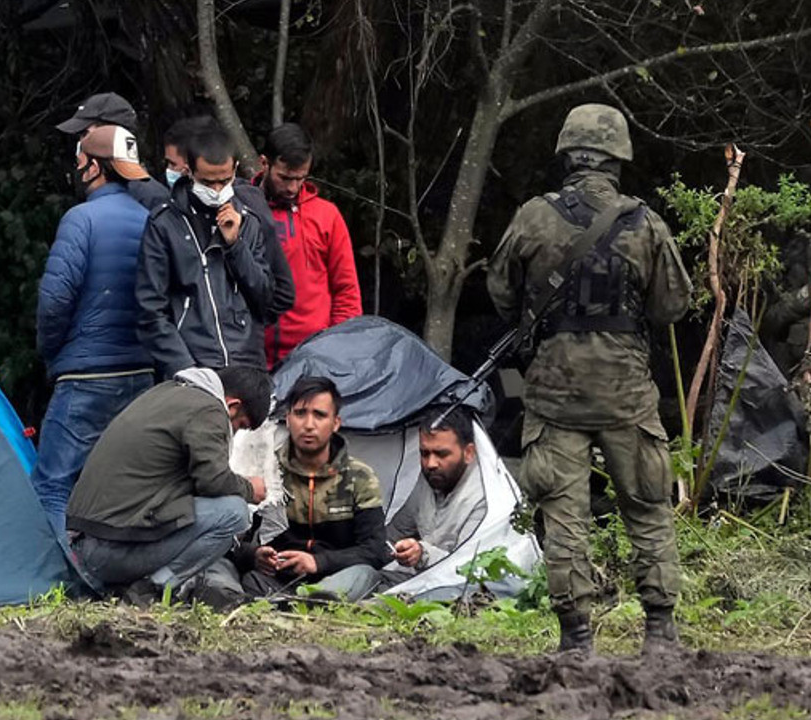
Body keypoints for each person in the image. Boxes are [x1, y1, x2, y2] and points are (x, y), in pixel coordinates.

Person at [486, 103, 692, 653]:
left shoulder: (533, 216)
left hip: (555, 394)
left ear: (567, 156)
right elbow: (673, 304)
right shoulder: (644, 222)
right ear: (618, 158)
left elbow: (502, 294)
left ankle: (577, 638)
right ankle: (660, 631)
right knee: (647, 507)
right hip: (625, 393)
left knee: (564, 516)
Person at [33, 125, 156, 532]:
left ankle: (59, 576)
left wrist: (52, 353)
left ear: (93, 167)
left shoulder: (80, 220)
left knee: (53, 485)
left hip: (86, 374)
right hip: (140, 374)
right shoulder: (150, 220)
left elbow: (54, 302)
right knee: (120, 487)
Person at [66, 366, 271, 605]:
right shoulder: (209, 410)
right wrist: (249, 489)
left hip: (83, 543)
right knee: (234, 513)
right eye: (240, 426)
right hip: (104, 553)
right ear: (233, 405)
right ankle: (152, 590)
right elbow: (213, 481)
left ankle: (127, 587)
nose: (234, 434)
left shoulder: (168, 393)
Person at [223, 376, 387, 602]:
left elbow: (375, 550)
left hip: (337, 578)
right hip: (275, 580)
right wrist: (255, 555)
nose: (309, 424)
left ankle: (311, 601)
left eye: (319, 415)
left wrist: (318, 563)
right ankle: (291, 602)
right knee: (243, 576)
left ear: (335, 423)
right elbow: (233, 542)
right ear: (288, 419)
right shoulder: (264, 472)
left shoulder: (360, 476)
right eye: (300, 413)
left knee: (364, 574)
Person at [136, 123, 274, 377]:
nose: (218, 191)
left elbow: (264, 297)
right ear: (189, 172)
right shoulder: (165, 224)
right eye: (208, 182)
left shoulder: (248, 220)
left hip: (245, 364)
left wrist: (235, 245)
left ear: (234, 170)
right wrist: (184, 367)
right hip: (192, 363)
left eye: (224, 181)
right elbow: (150, 308)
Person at [163, 115, 295, 340]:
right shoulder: (171, 214)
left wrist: (245, 329)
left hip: (242, 350)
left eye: (175, 165)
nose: (172, 172)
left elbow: (280, 292)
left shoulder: (249, 208)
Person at [256, 124, 362, 368]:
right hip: (253, 355)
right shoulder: (242, 208)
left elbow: (347, 291)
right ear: (265, 164)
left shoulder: (327, 215)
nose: (293, 188)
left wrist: (336, 349)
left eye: (301, 178)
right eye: (284, 178)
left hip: (315, 356)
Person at [381, 407, 486, 587]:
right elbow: (394, 533)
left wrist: (422, 554)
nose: (430, 464)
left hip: (455, 590)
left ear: (468, 453)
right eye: (424, 453)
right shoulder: (428, 482)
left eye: (441, 454)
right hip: (416, 580)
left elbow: (470, 569)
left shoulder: (484, 497)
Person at [54, 92, 169, 210]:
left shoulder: (151, 197)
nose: (81, 142)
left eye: (85, 134)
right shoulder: (92, 189)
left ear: (113, 132)